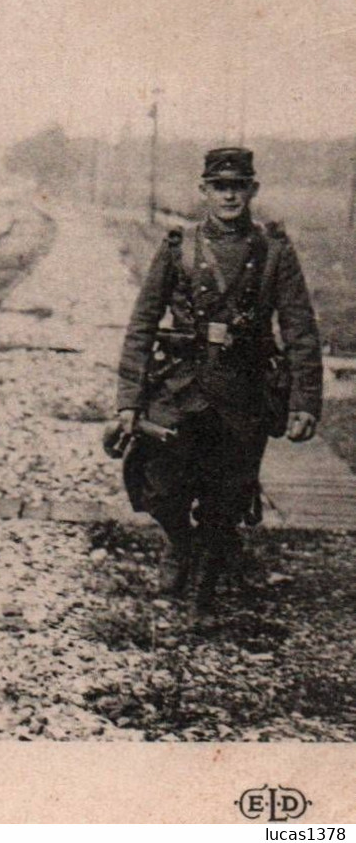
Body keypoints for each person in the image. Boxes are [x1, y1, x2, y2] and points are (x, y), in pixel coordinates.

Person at [115, 146, 321, 609]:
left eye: (239, 186)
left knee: (228, 491)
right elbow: (142, 324)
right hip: (180, 384)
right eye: (220, 186)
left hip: (244, 387)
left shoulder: (274, 252)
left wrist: (304, 402)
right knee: (160, 483)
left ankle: (207, 571)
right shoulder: (177, 248)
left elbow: (300, 329)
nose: (230, 196)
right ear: (204, 190)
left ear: (253, 190)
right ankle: (179, 543)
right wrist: (129, 399)